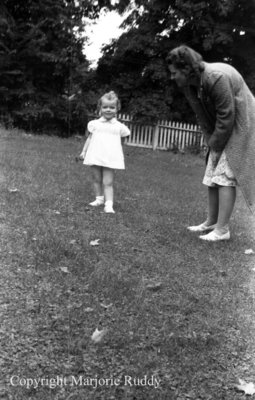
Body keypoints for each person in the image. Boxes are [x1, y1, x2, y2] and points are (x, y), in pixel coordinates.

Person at [166, 45, 255, 241]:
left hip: (244, 124)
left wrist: (216, 143)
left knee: (224, 175)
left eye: (174, 73)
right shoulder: (190, 84)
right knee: (212, 171)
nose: (172, 77)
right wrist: (211, 143)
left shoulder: (216, 77)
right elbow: (202, 116)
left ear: (186, 69)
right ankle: (212, 222)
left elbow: (227, 116)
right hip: (227, 126)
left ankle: (222, 230)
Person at [79, 91, 130, 214]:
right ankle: (99, 199)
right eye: (105, 107)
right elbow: (90, 138)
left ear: (117, 109)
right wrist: (84, 151)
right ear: (100, 108)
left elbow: (122, 140)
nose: (108, 110)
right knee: (96, 179)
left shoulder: (119, 127)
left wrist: (116, 152)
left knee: (108, 181)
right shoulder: (95, 124)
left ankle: (109, 205)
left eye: (112, 107)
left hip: (110, 157)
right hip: (95, 154)